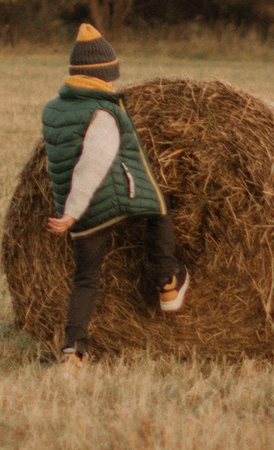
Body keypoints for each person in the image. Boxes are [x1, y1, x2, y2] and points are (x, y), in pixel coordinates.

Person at [41, 25, 189, 365]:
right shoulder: (103, 112)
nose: (113, 84)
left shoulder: (53, 110)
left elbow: (62, 159)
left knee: (86, 278)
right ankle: (167, 279)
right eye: (110, 78)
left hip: (78, 208)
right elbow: (93, 162)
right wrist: (73, 210)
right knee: (159, 207)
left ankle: (72, 351)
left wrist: (70, 210)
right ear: (101, 76)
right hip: (106, 196)